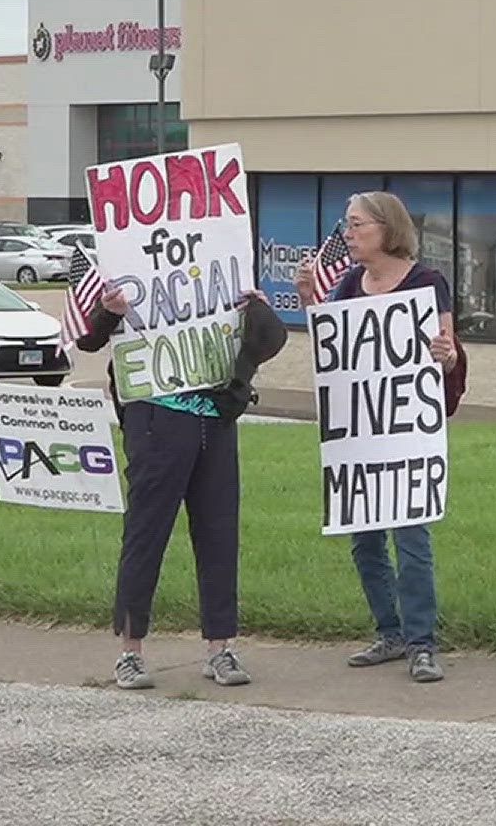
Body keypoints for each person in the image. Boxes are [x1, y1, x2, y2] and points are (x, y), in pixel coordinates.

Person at [75, 283, 285, 692]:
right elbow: (88, 338)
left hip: (216, 417)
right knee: (145, 534)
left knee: (219, 534)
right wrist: (110, 310)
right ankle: (130, 651)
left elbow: (267, 338)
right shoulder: (122, 262)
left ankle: (219, 647)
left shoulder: (219, 264)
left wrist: (255, 309)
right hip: (155, 418)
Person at [297, 191, 466, 683]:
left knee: (412, 539)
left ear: (386, 228)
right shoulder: (349, 284)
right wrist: (310, 298)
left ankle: (421, 641)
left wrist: (445, 356)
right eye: (346, 226)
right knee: (365, 541)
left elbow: (448, 353)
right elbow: (332, 349)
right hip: (360, 436)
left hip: (407, 435)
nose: (346, 234)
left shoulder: (427, 283)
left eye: (355, 225)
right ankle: (389, 631)